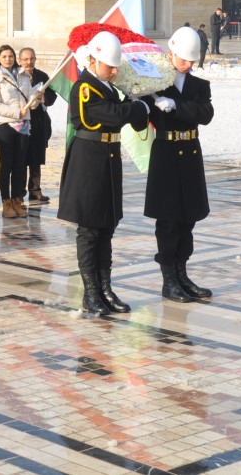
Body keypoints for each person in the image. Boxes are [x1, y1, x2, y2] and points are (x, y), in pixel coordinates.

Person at [56, 32, 150, 316]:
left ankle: (106, 288)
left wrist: (134, 102)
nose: (114, 70)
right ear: (93, 60)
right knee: (89, 230)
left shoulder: (108, 87)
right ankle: (91, 292)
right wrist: (135, 106)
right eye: (109, 65)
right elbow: (112, 115)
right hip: (88, 161)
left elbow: (127, 116)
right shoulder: (85, 88)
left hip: (108, 160)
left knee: (107, 227)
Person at [141, 27, 215, 303]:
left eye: (192, 61)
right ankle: (168, 278)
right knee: (169, 219)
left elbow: (205, 114)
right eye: (184, 60)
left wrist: (176, 106)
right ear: (171, 54)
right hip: (166, 152)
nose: (189, 65)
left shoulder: (199, 86)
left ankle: (182, 273)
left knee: (188, 218)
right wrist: (151, 100)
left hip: (190, 151)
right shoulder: (155, 83)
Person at [0, 45, 37, 219]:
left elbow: (30, 97)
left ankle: (17, 200)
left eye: (10, 56)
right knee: (6, 165)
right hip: (5, 126)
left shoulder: (23, 75)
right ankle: (6, 202)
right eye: (4, 56)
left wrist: (35, 100)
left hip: (23, 126)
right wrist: (16, 113)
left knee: (20, 166)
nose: (8, 59)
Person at [19, 47, 57, 204]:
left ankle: (35, 190)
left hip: (39, 122)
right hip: (21, 122)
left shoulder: (42, 76)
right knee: (21, 159)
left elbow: (52, 96)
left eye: (32, 59)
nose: (29, 62)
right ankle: (19, 192)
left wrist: (43, 98)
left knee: (36, 158)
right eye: (26, 59)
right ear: (20, 60)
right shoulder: (16, 76)